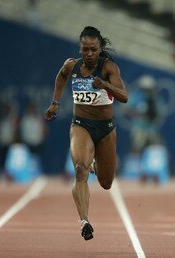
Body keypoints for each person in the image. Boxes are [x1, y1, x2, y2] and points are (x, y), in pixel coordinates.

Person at [44, 26, 128, 241]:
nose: (89, 54)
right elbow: (61, 76)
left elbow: (124, 96)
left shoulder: (109, 67)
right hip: (81, 125)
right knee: (80, 170)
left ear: (100, 49)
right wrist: (55, 103)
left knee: (106, 183)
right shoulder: (71, 65)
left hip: (106, 129)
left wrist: (105, 85)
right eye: (85, 49)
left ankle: (96, 163)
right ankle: (84, 221)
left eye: (93, 49)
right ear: (80, 49)